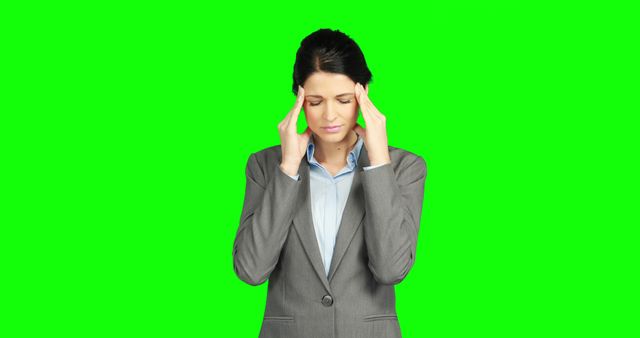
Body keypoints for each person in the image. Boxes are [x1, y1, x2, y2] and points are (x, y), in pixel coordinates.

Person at [232, 28, 427, 338]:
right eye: (315, 101)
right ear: (298, 99)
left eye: (344, 99)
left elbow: (391, 269)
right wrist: (288, 169)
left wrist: (378, 162)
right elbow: (251, 270)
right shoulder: (266, 166)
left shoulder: (404, 168)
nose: (330, 114)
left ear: (363, 95)